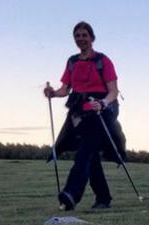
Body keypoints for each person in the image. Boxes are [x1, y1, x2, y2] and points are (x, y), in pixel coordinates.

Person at [44, 21, 124, 211]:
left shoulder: (103, 60)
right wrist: (52, 93)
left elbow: (113, 91)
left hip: (100, 110)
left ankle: (71, 194)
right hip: (79, 110)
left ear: (92, 38)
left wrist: (103, 103)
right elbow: (65, 89)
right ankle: (103, 198)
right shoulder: (72, 61)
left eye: (84, 35)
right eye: (77, 36)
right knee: (91, 155)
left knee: (86, 150)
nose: (81, 39)